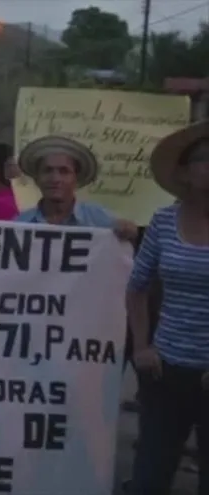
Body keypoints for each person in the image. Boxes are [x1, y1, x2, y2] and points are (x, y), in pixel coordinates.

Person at [127, 122, 209, 495]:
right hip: (166, 373)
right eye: (204, 159)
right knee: (149, 477)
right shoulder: (163, 221)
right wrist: (142, 346)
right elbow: (137, 287)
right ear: (185, 171)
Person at [14, 136, 137, 240]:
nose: (55, 178)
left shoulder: (100, 219)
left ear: (76, 178)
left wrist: (127, 231)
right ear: (37, 178)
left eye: (64, 171)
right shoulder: (19, 225)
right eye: (47, 171)